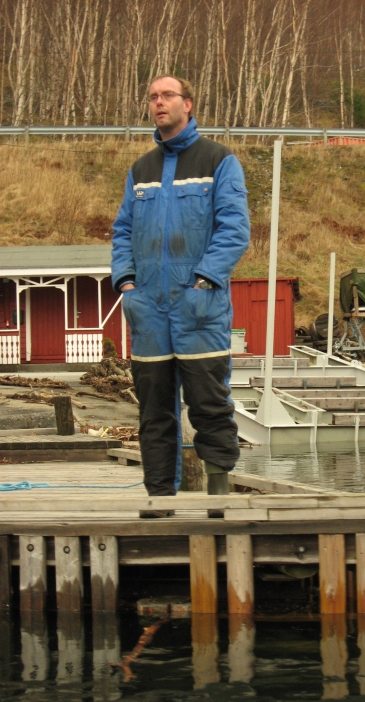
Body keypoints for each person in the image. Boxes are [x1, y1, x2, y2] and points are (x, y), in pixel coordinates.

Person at [111, 75, 250, 516]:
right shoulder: (141, 170)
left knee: (210, 405)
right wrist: (126, 283)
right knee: (153, 412)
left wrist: (204, 281)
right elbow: (122, 232)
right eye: (153, 97)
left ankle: (219, 502)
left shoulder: (218, 160)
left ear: (188, 104)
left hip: (199, 308)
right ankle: (159, 503)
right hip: (148, 310)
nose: (158, 102)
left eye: (167, 95)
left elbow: (234, 229)